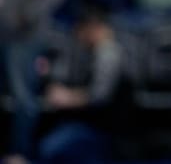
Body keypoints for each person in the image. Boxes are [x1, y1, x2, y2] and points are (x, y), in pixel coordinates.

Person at [0, 0, 67, 163]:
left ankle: (21, 152)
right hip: (1, 31)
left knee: (23, 97)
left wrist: (28, 14)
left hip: (26, 35)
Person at [35, 11, 130, 164]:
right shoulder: (98, 52)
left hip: (103, 130)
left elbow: (99, 97)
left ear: (93, 29)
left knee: (49, 148)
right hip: (96, 124)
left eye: (81, 31)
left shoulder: (108, 54)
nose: (79, 38)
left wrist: (67, 97)